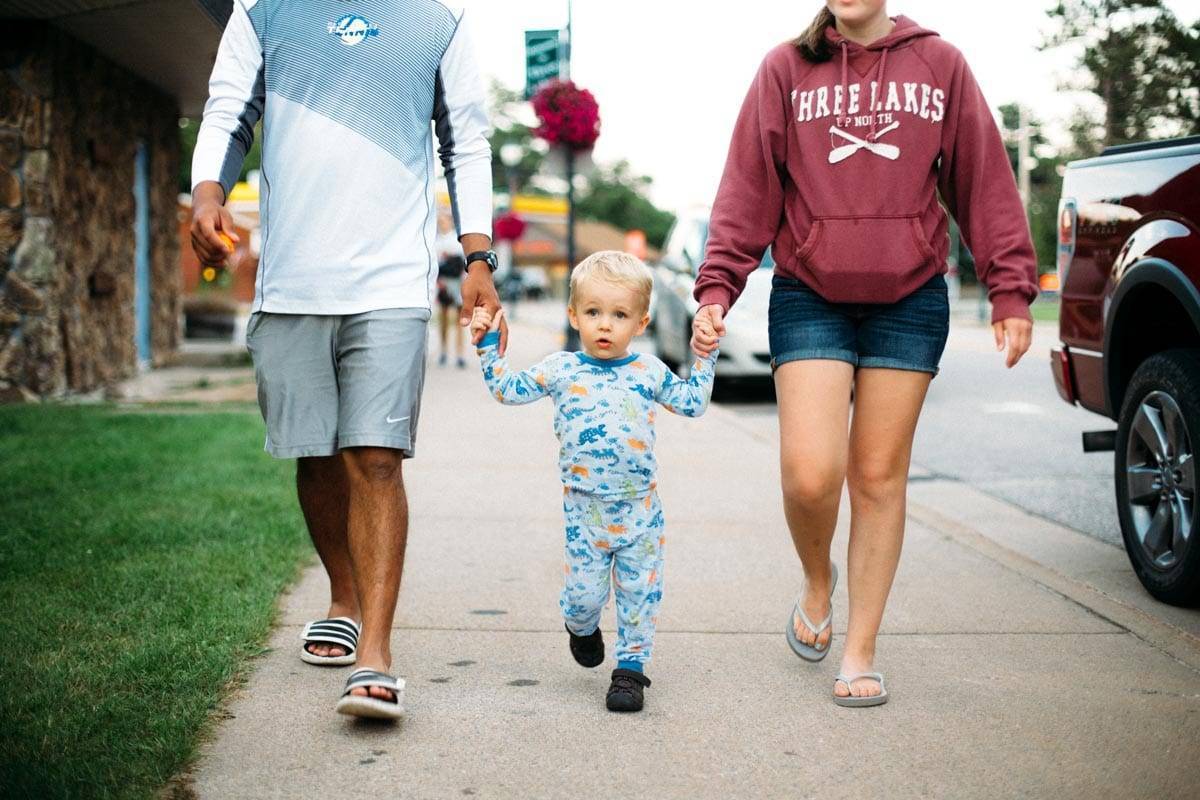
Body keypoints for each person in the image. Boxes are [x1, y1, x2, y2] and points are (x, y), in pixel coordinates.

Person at [692, 0, 1037, 707]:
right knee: (810, 475)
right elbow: (748, 186)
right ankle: (818, 580)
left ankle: (860, 650)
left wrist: (1010, 288)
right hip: (808, 293)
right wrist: (718, 286)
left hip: (910, 298)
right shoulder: (786, 69)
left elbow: (982, 179)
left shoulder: (939, 63)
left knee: (878, 478)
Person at [189, 0, 507, 720]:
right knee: (316, 454)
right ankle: (343, 596)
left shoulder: (439, 19)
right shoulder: (262, 10)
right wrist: (208, 191)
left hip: (391, 282)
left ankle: (376, 656)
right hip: (292, 282)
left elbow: (467, 142)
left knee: (376, 458)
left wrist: (478, 257)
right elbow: (228, 110)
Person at [469, 251, 718, 712]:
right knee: (583, 598)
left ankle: (630, 672)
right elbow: (508, 390)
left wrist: (705, 356)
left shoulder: (648, 372)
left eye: (620, 315)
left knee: (639, 595)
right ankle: (581, 628)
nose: (605, 325)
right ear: (573, 315)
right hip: (585, 512)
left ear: (641, 322)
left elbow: (692, 402)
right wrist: (487, 345)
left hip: (640, 510)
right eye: (593, 312)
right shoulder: (561, 369)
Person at [436, 251, 468, 368]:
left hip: (457, 285)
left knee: (460, 324)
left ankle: (459, 354)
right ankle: (444, 351)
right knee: (444, 324)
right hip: (446, 285)